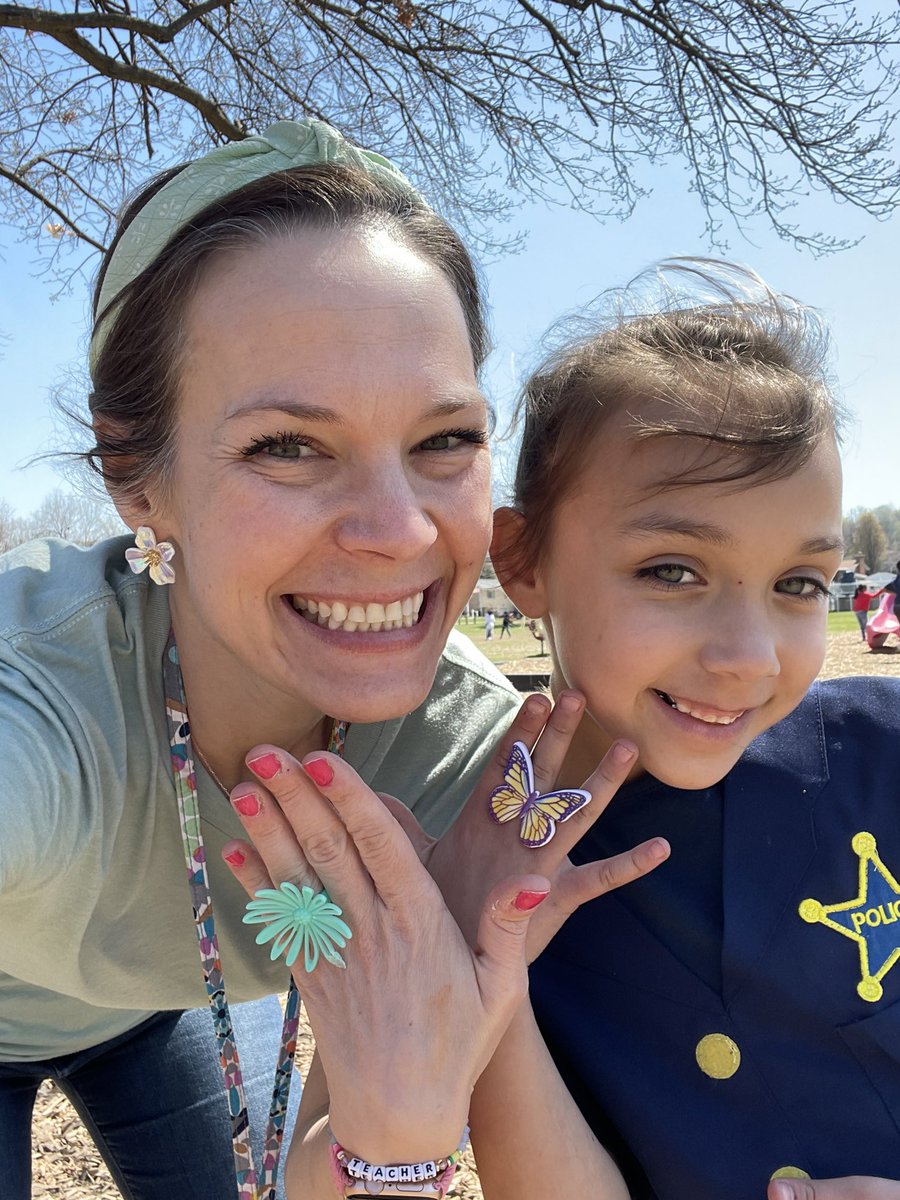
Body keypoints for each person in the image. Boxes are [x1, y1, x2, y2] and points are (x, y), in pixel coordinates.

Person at [1, 118, 649, 1200]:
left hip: (156, 1019)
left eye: (444, 440)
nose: (399, 531)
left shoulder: (483, 767)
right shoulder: (40, 693)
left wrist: (402, 1122)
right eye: (288, 445)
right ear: (134, 478)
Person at [476, 267, 900, 1199]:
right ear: (522, 561)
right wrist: (487, 979)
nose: (750, 659)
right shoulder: (483, 870)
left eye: (799, 583)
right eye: (673, 571)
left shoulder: (887, 757)